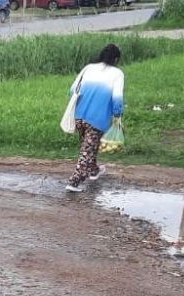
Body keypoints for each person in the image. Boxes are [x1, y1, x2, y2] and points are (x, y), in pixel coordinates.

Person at [64, 43, 124, 193]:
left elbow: (72, 91)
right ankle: (74, 182)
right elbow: (117, 98)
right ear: (116, 59)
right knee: (87, 150)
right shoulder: (117, 74)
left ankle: (94, 170)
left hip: (79, 115)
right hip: (97, 118)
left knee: (88, 146)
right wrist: (117, 115)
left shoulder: (88, 68)